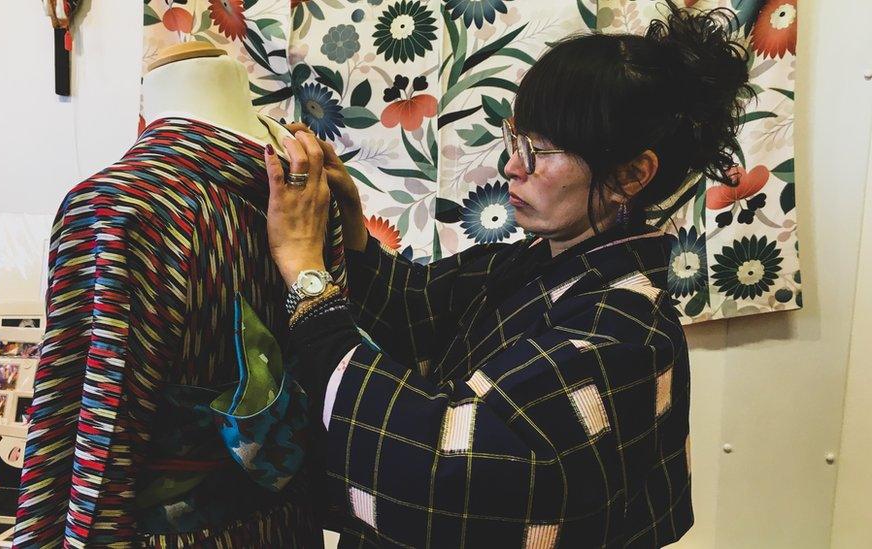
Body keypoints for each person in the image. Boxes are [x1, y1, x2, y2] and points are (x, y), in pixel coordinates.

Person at [265, 5, 750, 547]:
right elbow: (420, 308)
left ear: (632, 174)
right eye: (515, 140)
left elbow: (445, 476)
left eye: (539, 151)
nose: (512, 167)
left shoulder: (623, 329)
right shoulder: (539, 260)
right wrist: (351, 231)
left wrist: (306, 275)